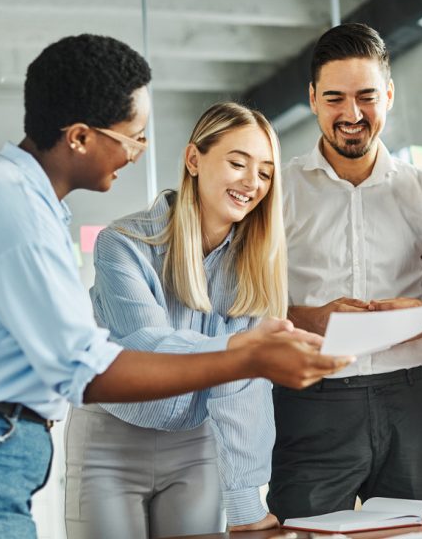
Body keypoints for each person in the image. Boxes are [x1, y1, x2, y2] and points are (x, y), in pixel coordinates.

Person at [0, 34, 351, 539]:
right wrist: (246, 355)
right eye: (132, 137)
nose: (138, 153)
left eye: (265, 172)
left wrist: (245, 493)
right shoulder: (19, 215)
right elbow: (87, 368)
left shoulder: (28, 206)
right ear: (79, 137)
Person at [266, 23, 422, 521]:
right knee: (304, 532)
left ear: (389, 95)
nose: (352, 115)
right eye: (335, 98)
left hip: (412, 402)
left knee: (414, 533)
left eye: (367, 97)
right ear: (313, 99)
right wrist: (313, 319)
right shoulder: (276, 191)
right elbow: (247, 304)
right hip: (310, 402)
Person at [65, 102, 288, 538]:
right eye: (238, 163)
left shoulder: (255, 264)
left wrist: (245, 504)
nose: (252, 182)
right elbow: (148, 347)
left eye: (265, 172)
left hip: (196, 445)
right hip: (110, 440)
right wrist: (239, 351)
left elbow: (240, 389)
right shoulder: (122, 244)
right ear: (193, 160)